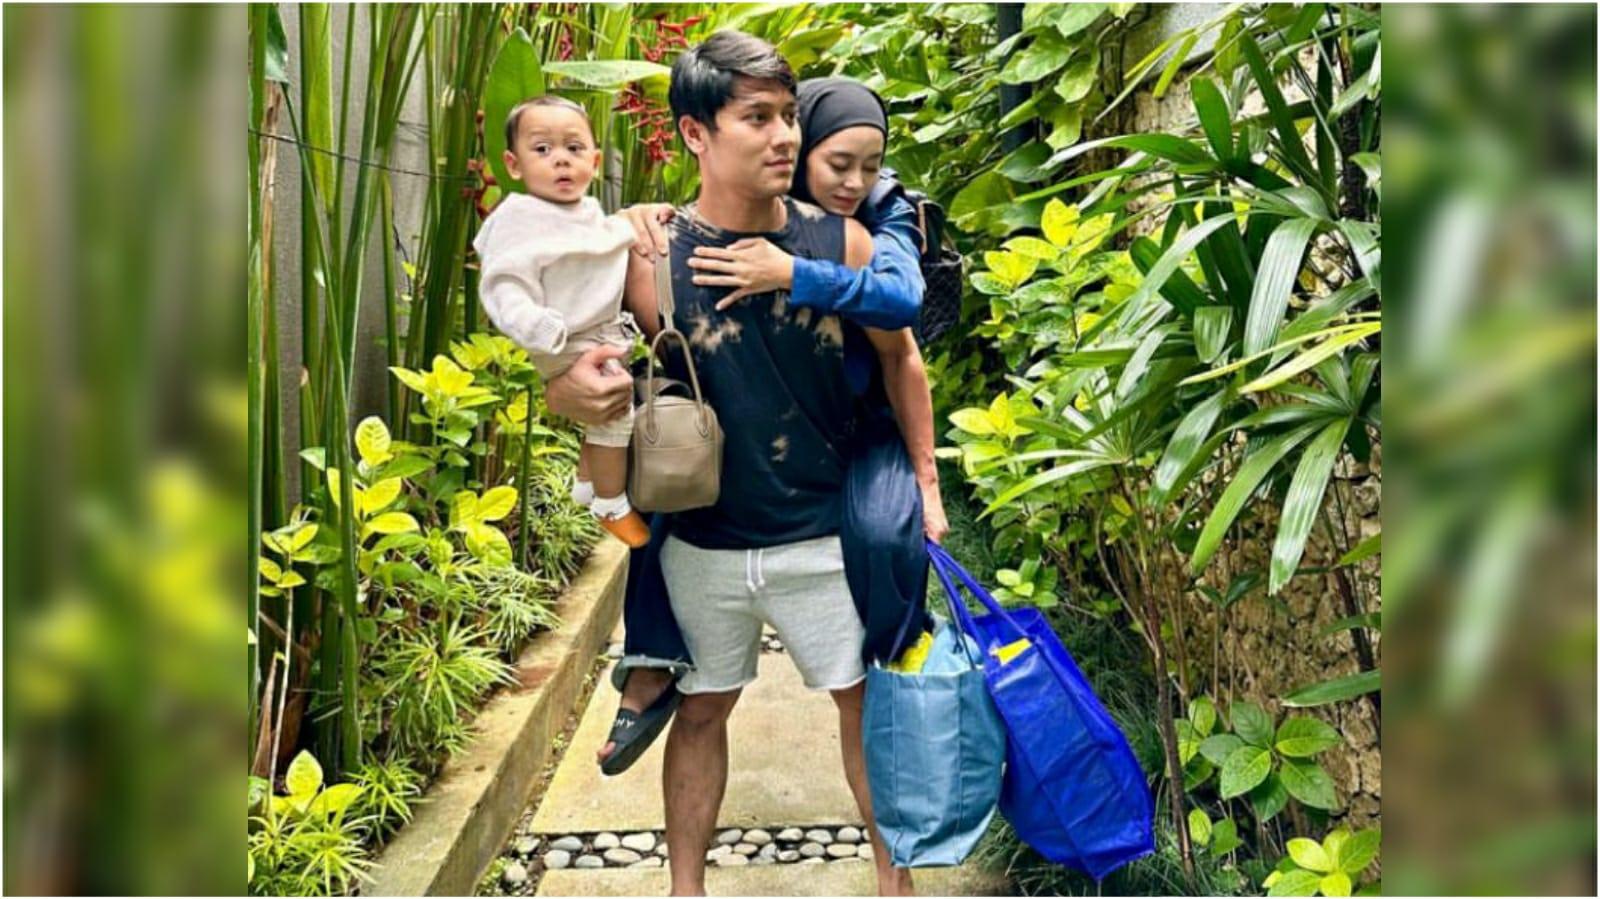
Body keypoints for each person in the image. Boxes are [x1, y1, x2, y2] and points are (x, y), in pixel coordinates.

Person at [544, 32, 915, 896]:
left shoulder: (841, 244)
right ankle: (686, 888)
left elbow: (902, 357)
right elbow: (565, 368)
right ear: (695, 133)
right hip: (701, 543)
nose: (784, 136)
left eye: (788, 115)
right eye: (757, 118)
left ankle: (895, 886)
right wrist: (574, 390)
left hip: (823, 535)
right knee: (703, 708)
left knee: (864, 708)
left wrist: (923, 486)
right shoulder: (642, 254)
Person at [596, 76, 948, 770]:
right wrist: (626, 220)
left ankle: (907, 645)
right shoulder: (673, 238)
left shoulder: (876, 216)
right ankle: (649, 663)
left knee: (886, 540)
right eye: (837, 163)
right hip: (726, 497)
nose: (853, 181)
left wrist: (793, 271)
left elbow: (902, 304)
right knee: (658, 516)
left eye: (869, 165)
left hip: (858, 432)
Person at [472, 95, 650, 548]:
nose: (561, 160)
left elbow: (609, 236)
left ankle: (586, 486)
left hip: (596, 332)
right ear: (513, 165)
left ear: (595, 161)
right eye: (542, 149)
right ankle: (611, 504)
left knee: (600, 417)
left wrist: (642, 221)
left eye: (574, 148)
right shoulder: (520, 218)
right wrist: (539, 327)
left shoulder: (584, 211)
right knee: (615, 416)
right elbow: (503, 285)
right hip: (562, 335)